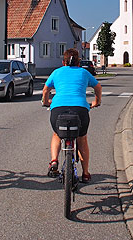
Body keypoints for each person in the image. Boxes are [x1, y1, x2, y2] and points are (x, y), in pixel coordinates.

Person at [41, 48, 102, 183]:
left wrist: (46, 102)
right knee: (82, 139)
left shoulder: (56, 72)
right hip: (80, 109)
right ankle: (85, 173)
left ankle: (54, 161)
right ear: (79, 63)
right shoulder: (84, 73)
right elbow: (98, 87)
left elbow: (46, 90)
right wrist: (97, 101)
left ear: (63, 62)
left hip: (58, 109)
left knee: (57, 134)